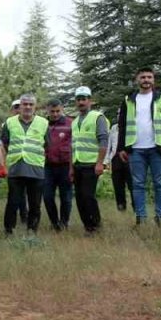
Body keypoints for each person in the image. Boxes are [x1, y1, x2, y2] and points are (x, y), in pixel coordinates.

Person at [116, 67, 161, 226]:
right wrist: (121, 148)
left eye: (149, 77)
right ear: (137, 80)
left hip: (158, 147)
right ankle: (141, 218)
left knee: (160, 183)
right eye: (143, 77)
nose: (146, 80)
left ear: (153, 80)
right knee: (137, 184)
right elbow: (122, 125)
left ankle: (160, 218)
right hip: (135, 149)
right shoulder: (128, 100)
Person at [0, 94, 49, 237]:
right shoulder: (10, 122)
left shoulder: (43, 123)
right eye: (24, 104)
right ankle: (9, 231)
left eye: (30, 104)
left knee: (35, 204)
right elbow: (5, 143)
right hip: (16, 168)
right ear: (19, 106)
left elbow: (47, 145)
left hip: (36, 168)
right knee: (13, 202)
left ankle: (32, 231)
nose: (27, 107)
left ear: (35, 107)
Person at [71, 86, 109, 234]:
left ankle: (96, 224)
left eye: (84, 99)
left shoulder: (97, 117)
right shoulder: (74, 122)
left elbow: (103, 141)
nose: (81, 102)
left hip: (92, 164)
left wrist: (100, 163)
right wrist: (71, 167)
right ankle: (88, 226)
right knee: (79, 198)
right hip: (77, 164)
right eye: (79, 99)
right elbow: (72, 146)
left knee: (88, 195)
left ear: (90, 101)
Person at [43, 99, 74, 231]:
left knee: (66, 197)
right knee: (47, 196)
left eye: (57, 111)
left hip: (65, 165)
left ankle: (64, 222)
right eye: (52, 111)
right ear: (47, 110)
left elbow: (74, 144)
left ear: (62, 110)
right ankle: (54, 222)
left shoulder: (70, 123)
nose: (55, 114)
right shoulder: (43, 124)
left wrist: (73, 167)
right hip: (47, 166)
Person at [106, 117, 135, 213]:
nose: (119, 116)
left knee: (133, 185)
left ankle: (137, 208)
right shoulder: (114, 128)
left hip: (130, 158)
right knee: (118, 185)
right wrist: (106, 161)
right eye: (118, 114)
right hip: (116, 158)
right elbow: (109, 145)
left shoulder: (133, 126)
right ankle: (121, 208)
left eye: (121, 114)